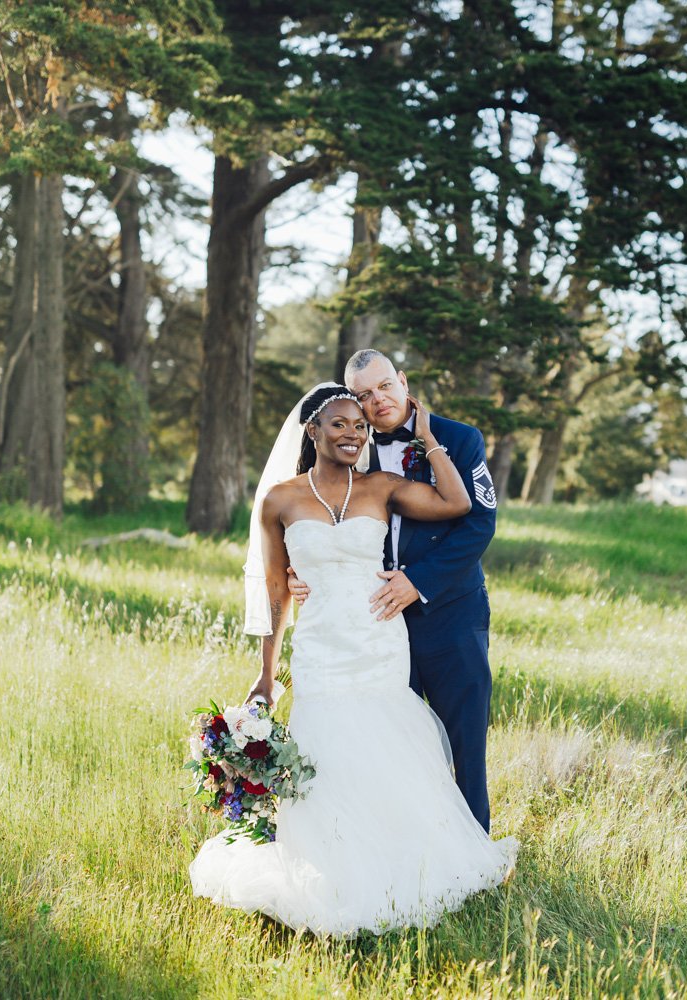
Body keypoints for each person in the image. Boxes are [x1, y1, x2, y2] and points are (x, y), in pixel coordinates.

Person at [189, 383, 515, 936]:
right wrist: (265, 675)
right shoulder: (280, 500)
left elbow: (458, 505)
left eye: (359, 426)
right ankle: (329, 867)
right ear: (312, 431)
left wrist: (432, 441)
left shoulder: (382, 487)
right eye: (338, 424)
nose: (352, 434)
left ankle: (403, 858)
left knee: (388, 743)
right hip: (320, 647)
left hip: (379, 639)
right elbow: (275, 592)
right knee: (327, 750)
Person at [288, 350, 499, 833]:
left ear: (402, 381)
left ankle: (475, 851)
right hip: (376, 627)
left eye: (384, 386)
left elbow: (479, 524)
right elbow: (316, 515)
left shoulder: (459, 439)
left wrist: (418, 582)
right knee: (392, 746)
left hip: (451, 615)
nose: (375, 400)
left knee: (465, 742)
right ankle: (406, 848)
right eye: (363, 394)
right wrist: (299, 572)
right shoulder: (350, 443)